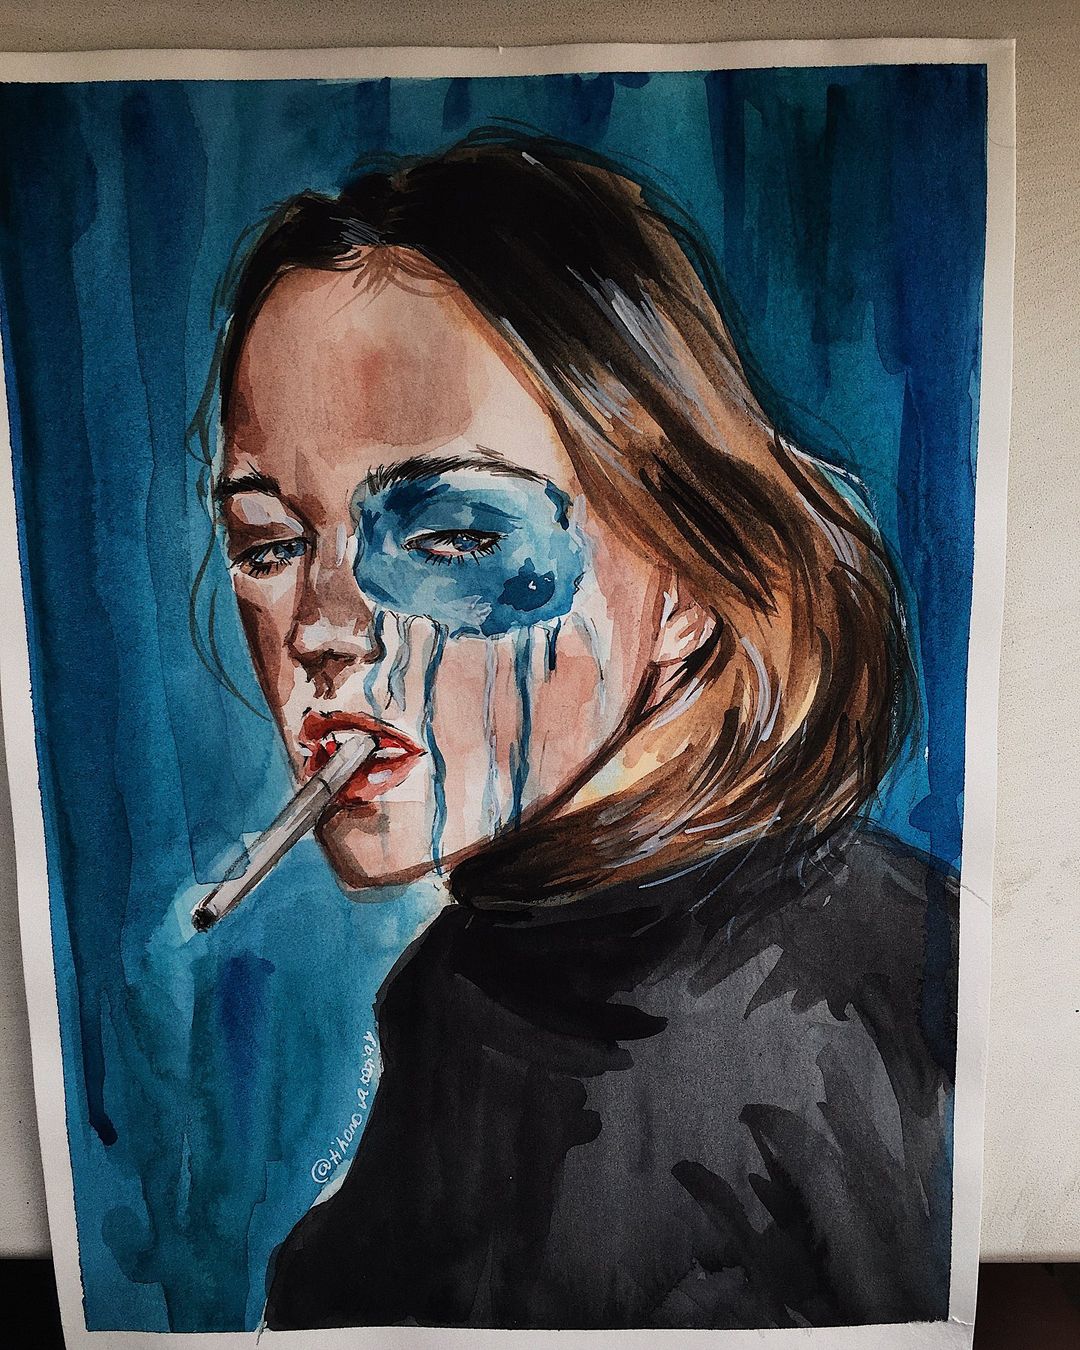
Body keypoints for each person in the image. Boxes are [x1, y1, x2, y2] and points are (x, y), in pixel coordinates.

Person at [205, 129, 957, 1330]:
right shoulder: (476, 991)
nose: (324, 629)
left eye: (454, 536)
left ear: (692, 583)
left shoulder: (840, 1016)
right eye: (269, 543)